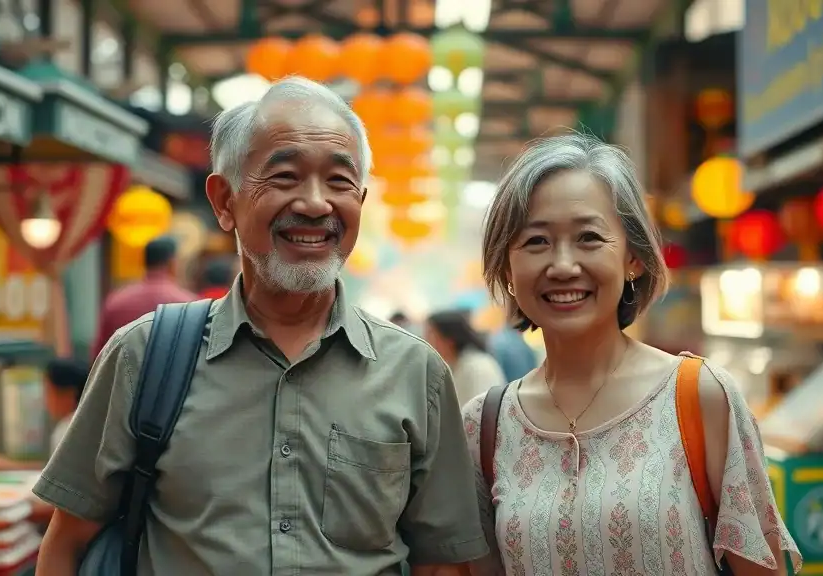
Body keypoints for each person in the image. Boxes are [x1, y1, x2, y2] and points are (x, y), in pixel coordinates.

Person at [33, 77, 486, 575]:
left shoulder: (415, 373)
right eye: (286, 177)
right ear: (224, 202)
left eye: (339, 181)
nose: (316, 204)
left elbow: (441, 564)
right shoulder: (143, 356)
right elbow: (68, 543)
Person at [462, 134, 801, 575]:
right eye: (536, 242)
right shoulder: (483, 428)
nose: (563, 265)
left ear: (633, 259)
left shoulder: (697, 397)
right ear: (507, 268)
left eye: (588, 237)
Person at [89, 236, 196, 359]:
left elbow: (99, 353)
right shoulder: (189, 304)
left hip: (124, 374)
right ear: (173, 263)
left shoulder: (117, 300)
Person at [0, 358, 88, 470]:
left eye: (48, 391)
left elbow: (58, 475)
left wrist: (7, 465)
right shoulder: (74, 424)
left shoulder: (72, 429)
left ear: (68, 394)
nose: (44, 399)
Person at [424, 310, 506, 407]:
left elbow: (481, 413)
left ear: (450, 339)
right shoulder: (452, 365)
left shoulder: (477, 367)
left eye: (431, 335)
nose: (426, 341)